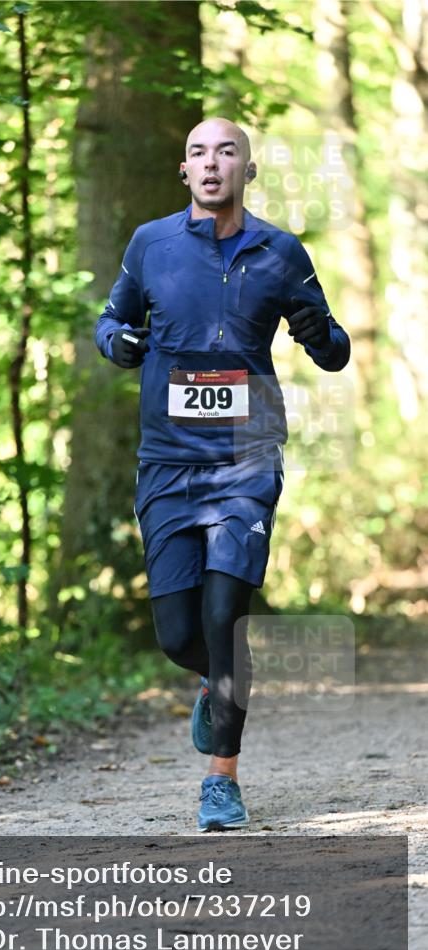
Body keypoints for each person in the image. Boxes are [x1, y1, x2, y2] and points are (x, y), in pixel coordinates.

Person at [94, 118, 350, 832]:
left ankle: (221, 781)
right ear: (184, 172)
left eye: (226, 151)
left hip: (245, 457)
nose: (212, 163)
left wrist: (316, 332)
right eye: (199, 153)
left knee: (222, 617)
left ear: (248, 169)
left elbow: (331, 348)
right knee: (180, 635)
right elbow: (108, 322)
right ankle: (216, 681)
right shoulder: (151, 245)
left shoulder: (280, 253)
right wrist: (117, 342)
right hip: (167, 461)